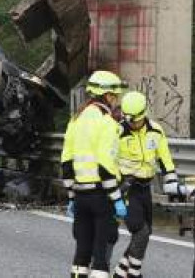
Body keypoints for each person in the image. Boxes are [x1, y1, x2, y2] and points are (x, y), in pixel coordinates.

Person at [60, 70, 128, 278]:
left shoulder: (76, 119)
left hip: (80, 196)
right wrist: (117, 199)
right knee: (100, 255)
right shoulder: (106, 122)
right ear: (107, 95)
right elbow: (106, 166)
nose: (117, 100)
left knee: (81, 254)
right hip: (101, 197)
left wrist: (71, 196)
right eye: (115, 95)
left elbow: (66, 162)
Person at [112, 91, 182, 278]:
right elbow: (109, 162)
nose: (132, 124)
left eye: (135, 120)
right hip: (126, 188)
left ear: (144, 115)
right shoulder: (117, 133)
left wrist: (172, 180)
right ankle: (134, 274)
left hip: (145, 188)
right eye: (129, 120)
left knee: (145, 233)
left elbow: (165, 158)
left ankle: (120, 273)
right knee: (140, 232)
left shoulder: (156, 131)